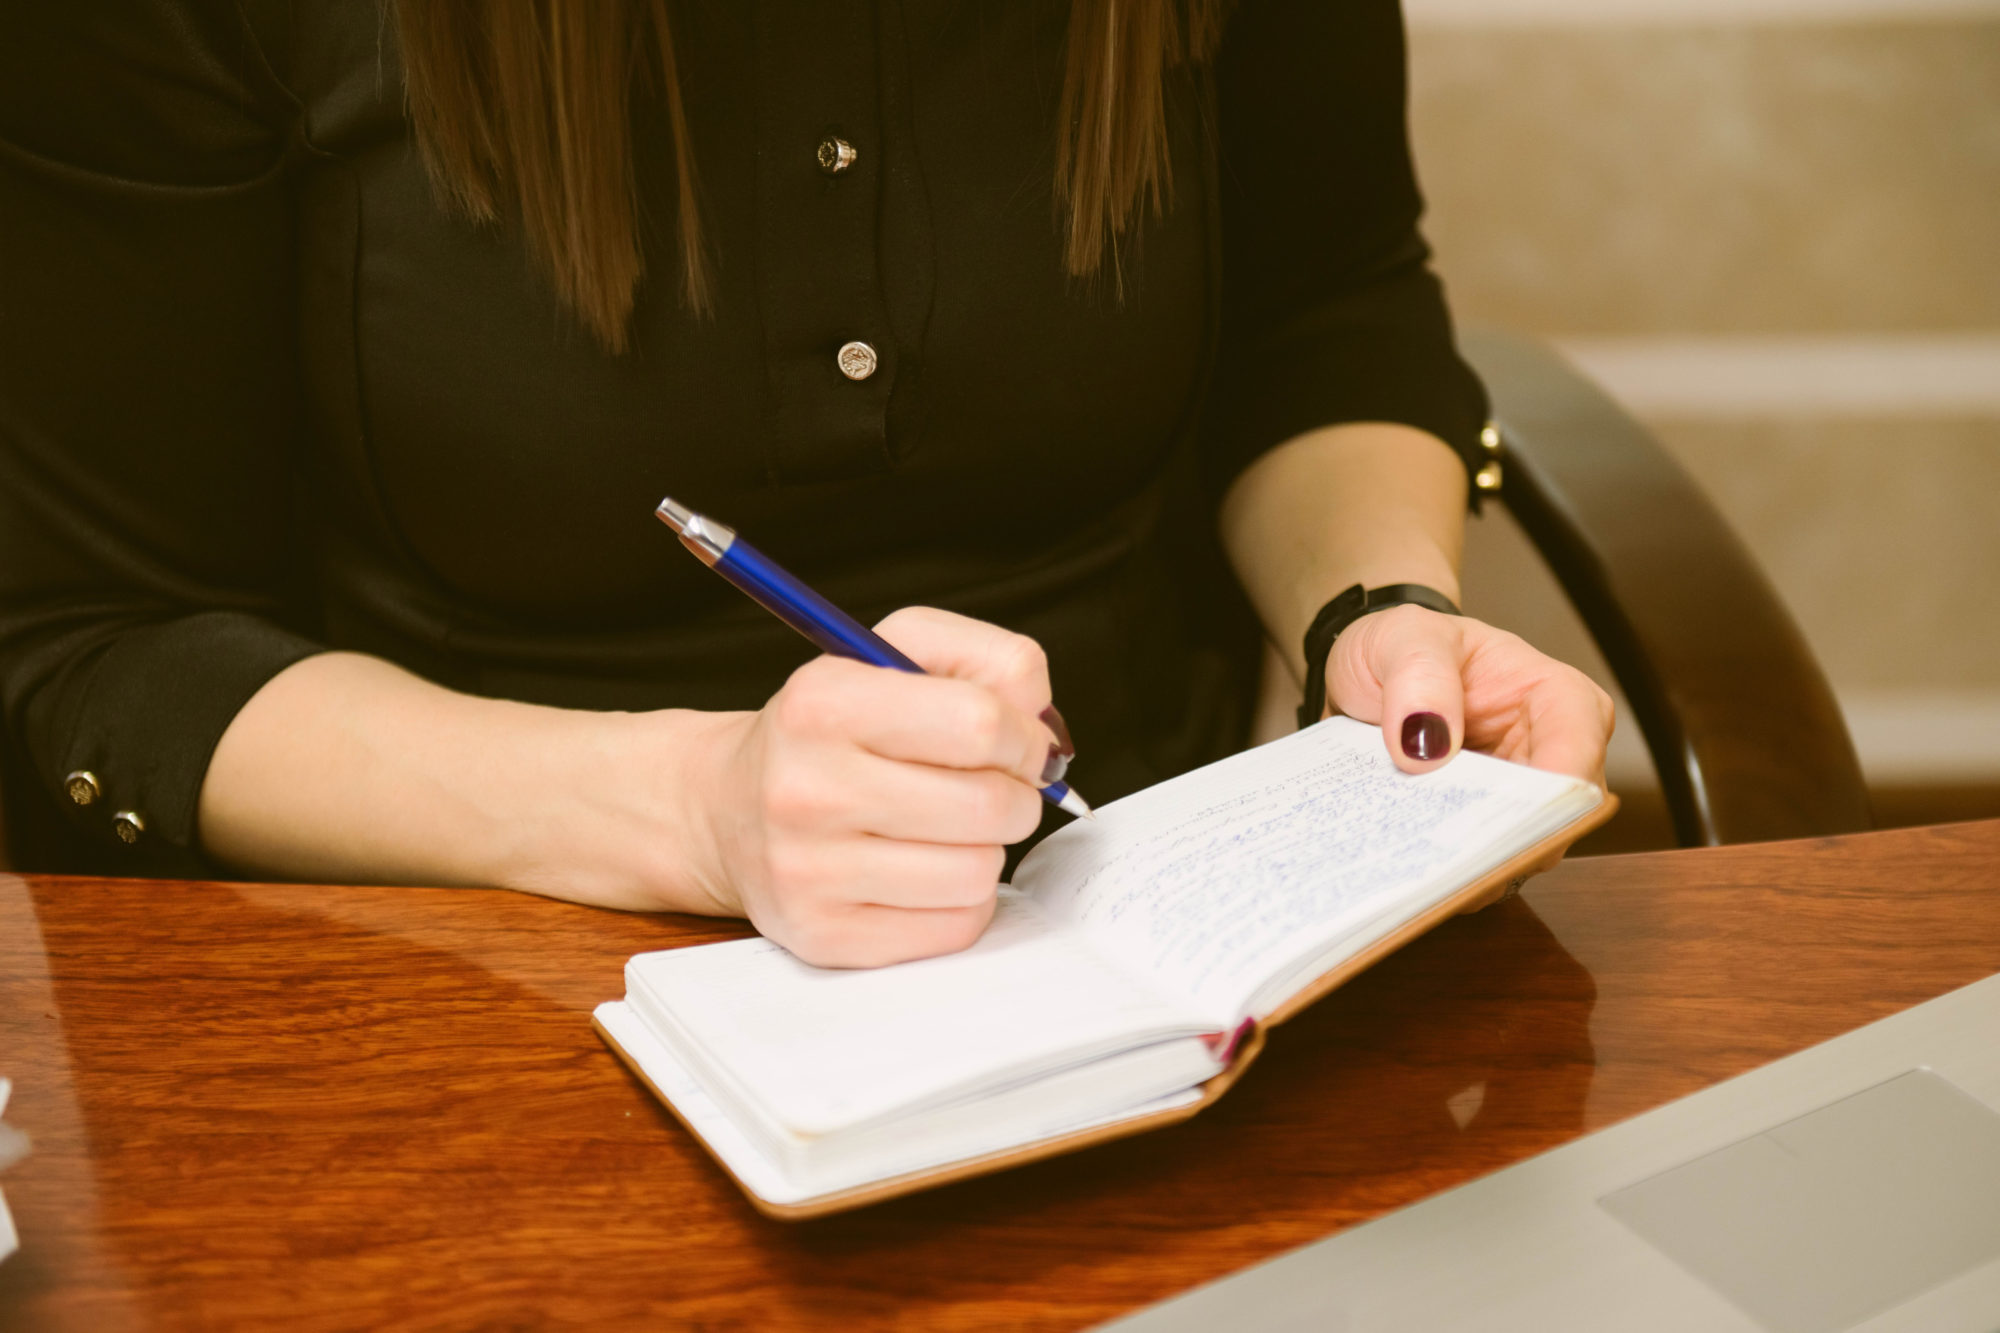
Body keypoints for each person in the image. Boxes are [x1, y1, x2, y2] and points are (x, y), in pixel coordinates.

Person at [0, 0, 1611, 967]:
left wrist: (1380, 605)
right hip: (474, 965)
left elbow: (1327, 319)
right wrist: (700, 813)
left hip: (1150, 924)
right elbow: (93, 646)